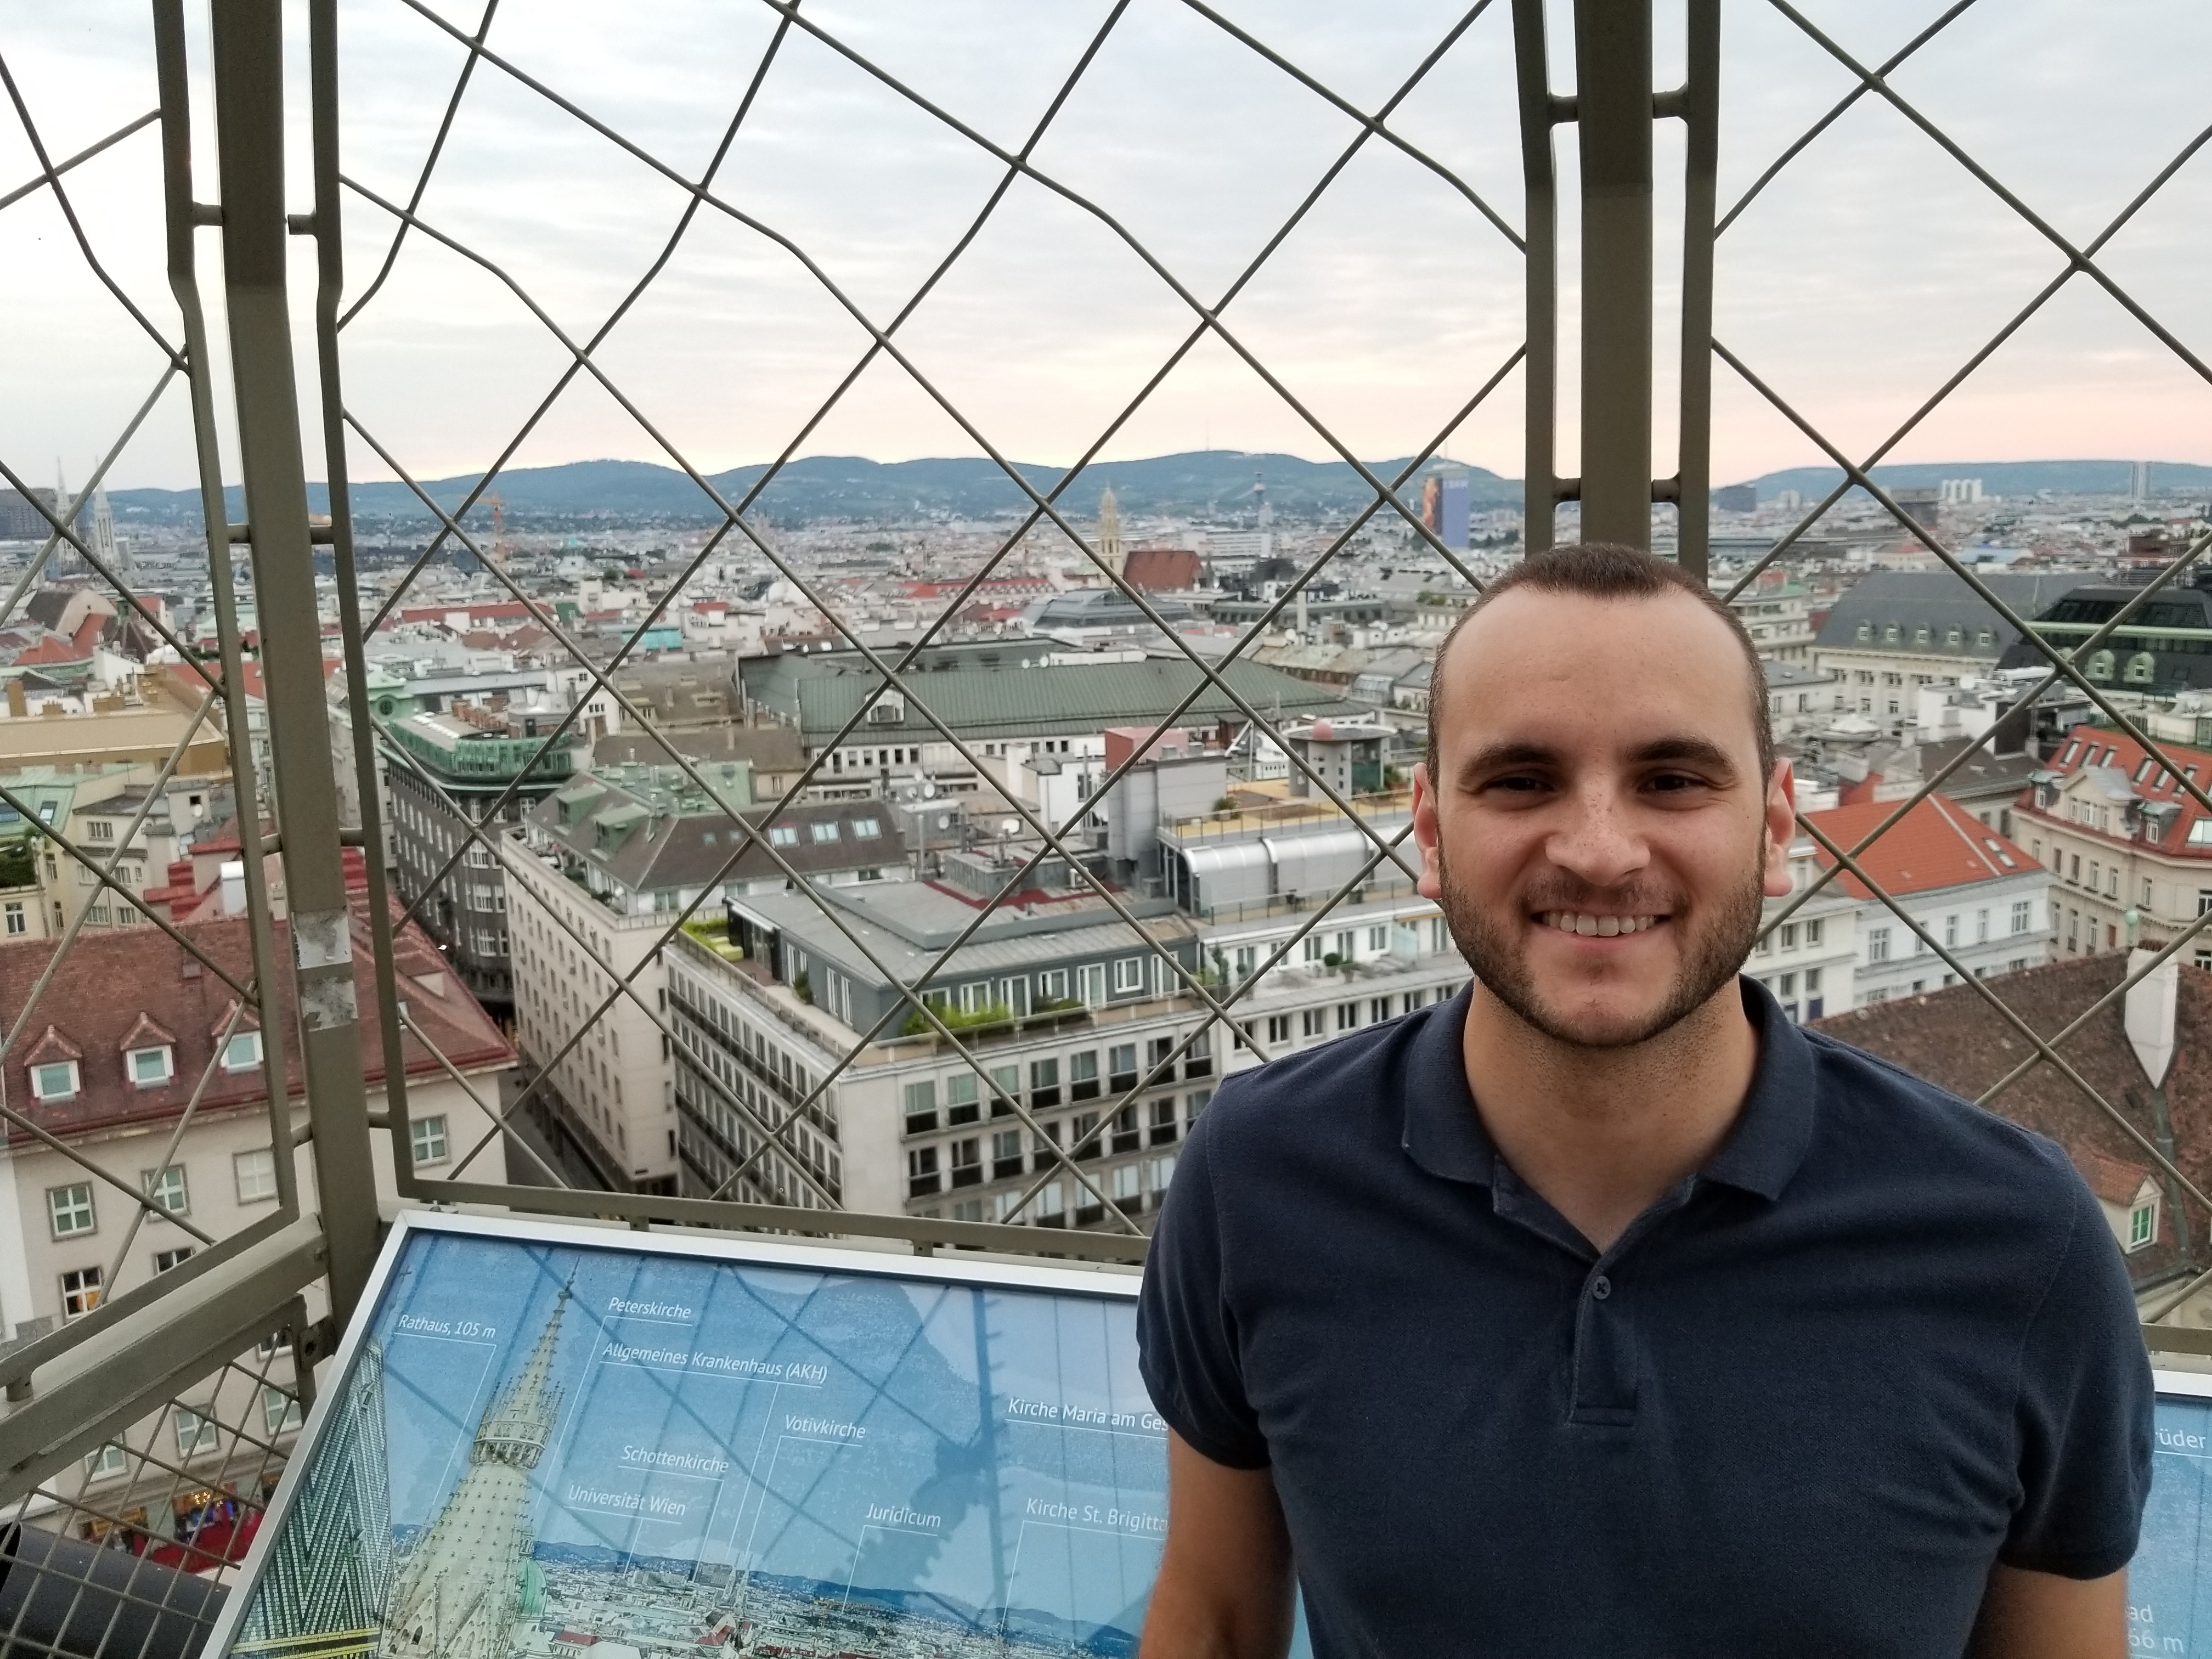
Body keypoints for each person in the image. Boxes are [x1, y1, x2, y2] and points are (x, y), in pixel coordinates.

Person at [1137, 543, 2151, 1657]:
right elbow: (1213, 1619)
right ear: (1428, 832)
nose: (1601, 852)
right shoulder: (1258, 1178)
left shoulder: (2020, 1241)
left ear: (1776, 828)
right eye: (1521, 781)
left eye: (1672, 781)